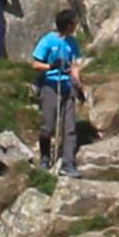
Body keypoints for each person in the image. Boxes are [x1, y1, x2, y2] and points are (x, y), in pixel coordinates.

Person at [32, 21, 87, 173]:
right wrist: (51, 66)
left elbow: (74, 66)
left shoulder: (72, 42)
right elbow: (35, 64)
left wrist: (78, 86)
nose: (75, 26)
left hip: (67, 86)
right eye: (72, 24)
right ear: (67, 25)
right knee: (47, 126)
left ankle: (68, 163)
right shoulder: (48, 41)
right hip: (50, 85)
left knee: (69, 127)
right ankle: (45, 157)